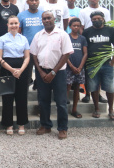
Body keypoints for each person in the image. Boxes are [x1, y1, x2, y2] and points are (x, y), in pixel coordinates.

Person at [30, 11, 73, 140]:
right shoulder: (38, 35)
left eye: (49, 18)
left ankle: (62, 128)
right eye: (44, 18)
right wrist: (41, 72)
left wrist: (53, 72)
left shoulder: (62, 35)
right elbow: (34, 55)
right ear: (41, 20)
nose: (47, 20)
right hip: (42, 72)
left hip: (59, 73)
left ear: (54, 19)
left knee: (61, 102)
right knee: (43, 101)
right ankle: (45, 125)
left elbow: (66, 54)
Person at [82, 11, 114, 120]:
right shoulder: (87, 32)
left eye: (99, 18)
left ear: (103, 19)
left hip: (106, 64)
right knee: (93, 87)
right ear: (91, 20)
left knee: (109, 88)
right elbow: (84, 48)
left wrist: (113, 61)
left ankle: (111, 109)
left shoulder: (110, 30)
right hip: (91, 64)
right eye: (94, 19)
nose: (96, 20)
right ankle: (96, 108)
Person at [0, 15, 30, 135]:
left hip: (22, 69)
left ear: (19, 25)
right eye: (11, 23)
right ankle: (8, 124)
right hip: (6, 68)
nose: (14, 25)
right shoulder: (2, 39)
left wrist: (20, 70)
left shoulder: (23, 39)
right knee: (7, 97)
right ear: (7, 25)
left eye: (16, 23)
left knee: (21, 97)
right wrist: (11, 69)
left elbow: (27, 57)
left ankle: (21, 124)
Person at [79, 0, 112, 103]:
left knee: (100, 70)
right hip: (88, 42)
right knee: (89, 70)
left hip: (102, 42)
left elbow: (107, 26)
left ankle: (98, 95)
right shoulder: (84, 11)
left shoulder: (105, 11)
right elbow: (81, 27)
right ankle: (87, 94)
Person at [66, 18, 87, 118]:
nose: (76, 27)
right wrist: (71, 66)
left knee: (77, 89)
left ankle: (74, 109)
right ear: (70, 26)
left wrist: (80, 67)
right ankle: (64, 110)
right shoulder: (67, 37)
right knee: (67, 88)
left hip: (79, 68)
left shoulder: (82, 38)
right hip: (68, 68)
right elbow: (64, 53)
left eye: (78, 26)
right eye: (74, 25)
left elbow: (85, 53)